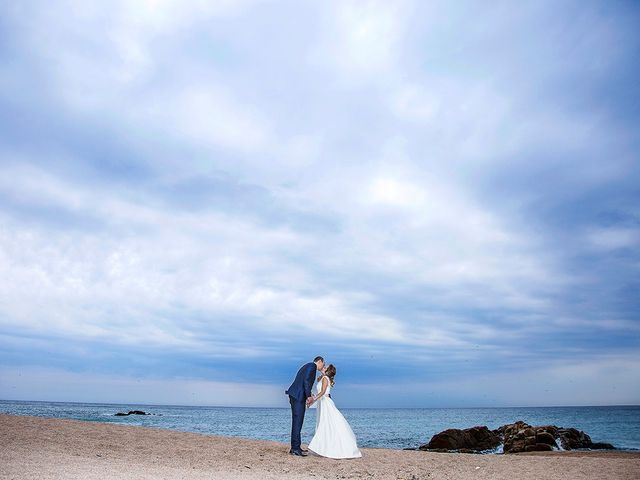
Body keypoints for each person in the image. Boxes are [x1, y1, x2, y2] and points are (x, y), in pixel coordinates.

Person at [308, 364, 362, 459]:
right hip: (323, 402)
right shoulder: (322, 378)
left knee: (326, 423)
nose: (323, 367)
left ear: (327, 370)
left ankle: (328, 447)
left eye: (325, 367)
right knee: (325, 423)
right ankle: (324, 447)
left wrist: (313, 399)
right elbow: (320, 390)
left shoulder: (325, 378)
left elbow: (323, 392)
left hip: (325, 402)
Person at [285, 356, 324, 456]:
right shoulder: (312, 366)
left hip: (296, 395)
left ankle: (296, 447)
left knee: (297, 422)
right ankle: (295, 448)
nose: (322, 366)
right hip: (298, 397)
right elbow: (306, 381)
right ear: (319, 361)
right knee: (298, 421)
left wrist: (308, 394)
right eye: (323, 364)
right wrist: (308, 397)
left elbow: (304, 382)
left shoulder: (307, 366)